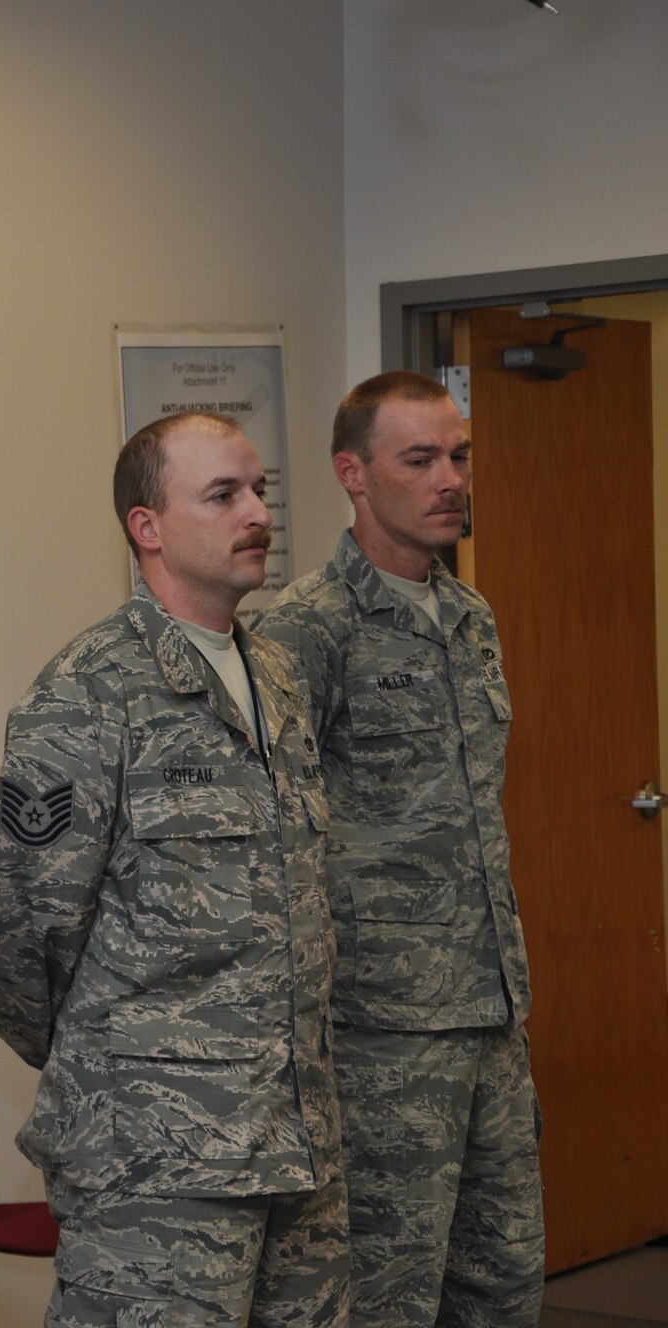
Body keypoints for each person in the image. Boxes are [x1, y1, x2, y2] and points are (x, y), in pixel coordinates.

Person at [0, 411, 348, 1327]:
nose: (256, 512)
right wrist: (125, 1063)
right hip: (156, 1159)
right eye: (223, 494)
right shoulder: (90, 693)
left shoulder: (278, 681)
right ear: (147, 526)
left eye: (259, 490)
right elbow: (16, 929)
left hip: (298, 1143)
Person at [253, 371, 542, 1327]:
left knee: (502, 1282)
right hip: (377, 1034)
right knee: (388, 1296)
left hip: (490, 1013)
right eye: (419, 459)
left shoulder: (472, 617)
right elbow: (279, 838)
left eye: (458, 456)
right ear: (353, 473)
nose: (449, 479)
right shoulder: (304, 629)